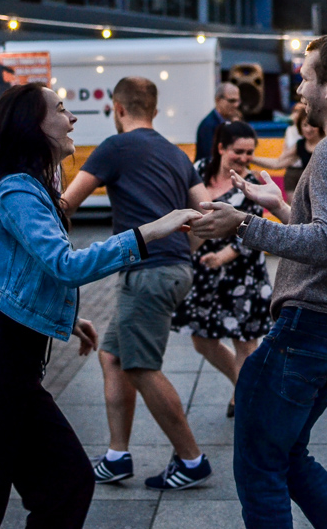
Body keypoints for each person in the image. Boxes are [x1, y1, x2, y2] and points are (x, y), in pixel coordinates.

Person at [0, 83, 200, 528]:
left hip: (9, 366)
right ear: (32, 126)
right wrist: (150, 231)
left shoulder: (27, 187)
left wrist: (66, 316)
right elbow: (64, 265)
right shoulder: (16, 191)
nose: (72, 118)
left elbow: (12, 271)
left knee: (67, 485)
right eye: (60, 109)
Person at [191, 33, 327, 529]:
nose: (299, 90)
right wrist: (281, 207)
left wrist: (242, 224)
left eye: (305, 78)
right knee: (289, 457)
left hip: (311, 328)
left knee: (260, 464)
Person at [61, 76, 213, 491]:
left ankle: (192, 460)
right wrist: (183, 251)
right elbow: (204, 213)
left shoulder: (114, 147)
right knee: (112, 355)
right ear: (155, 110)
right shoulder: (175, 152)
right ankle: (117, 456)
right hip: (174, 268)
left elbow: (66, 203)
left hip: (147, 272)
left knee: (141, 366)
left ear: (118, 108)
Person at [172, 121, 273, 418]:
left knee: (245, 343)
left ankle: (245, 402)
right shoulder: (199, 170)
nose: (244, 158)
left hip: (243, 273)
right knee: (202, 340)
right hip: (204, 271)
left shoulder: (251, 184)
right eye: (238, 151)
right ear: (220, 148)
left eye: (249, 153)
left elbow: (253, 233)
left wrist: (221, 257)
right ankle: (242, 385)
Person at [252, 115, 323, 202]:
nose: (308, 129)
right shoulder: (300, 145)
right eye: (305, 125)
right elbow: (278, 163)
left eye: (312, 126)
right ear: (299, 127)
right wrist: (251, 158)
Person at [195, 82, 241, 162]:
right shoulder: (208, 125)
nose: (236, 105)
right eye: (231, 101)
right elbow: (210, 157)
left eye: (238, 101)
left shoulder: (232, 120)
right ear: (218, 100)